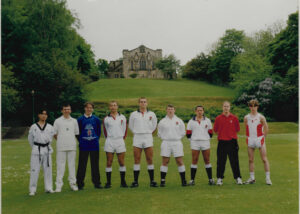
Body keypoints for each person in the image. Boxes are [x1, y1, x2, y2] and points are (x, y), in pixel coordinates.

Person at [129, 97, 158, 187]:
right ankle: (135, 181)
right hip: (137, 137)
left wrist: (148, 132)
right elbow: (130, 126)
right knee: (137, 159)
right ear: (139, 103)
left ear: (147, 103)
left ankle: (152, 181)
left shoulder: (152, 114)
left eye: (144, 102)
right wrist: (137, 132)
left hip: (148, 137)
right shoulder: (133, 114)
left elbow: (154, 126)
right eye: (141, 102)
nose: (143, 103)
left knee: (149, 159)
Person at [213, 101, 243, 185]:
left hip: (232, 142)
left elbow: (237, 129)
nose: (226, 108)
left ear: (230, 107)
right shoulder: (218, 118)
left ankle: (238, 178)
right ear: (222, 107)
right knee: (221, 161)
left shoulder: (234, 118)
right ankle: (219, 178)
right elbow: (215, 130)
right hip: (222, 142)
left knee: (234, 161)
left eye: (227, 106)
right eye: (224, 106)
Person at [158, 104, 187, 187]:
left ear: (174, 110)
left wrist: (176, 138)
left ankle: (183, 181)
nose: (170, 110)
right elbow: (159, 133)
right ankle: (162, 181)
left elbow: (183, 132)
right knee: (165, 161)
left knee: (179, 161)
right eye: (169, 109)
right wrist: (167, 138)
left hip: (177, 142)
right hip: (166, 142)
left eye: (172, 109)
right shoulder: (162, 121)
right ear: (166, 110)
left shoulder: (179, 120)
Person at [244, 99, 272, 185]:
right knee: (250, 159)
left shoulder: (261, 117)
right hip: (250, 139)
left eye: (255, 106)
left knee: (264, 159)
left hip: (259, 139)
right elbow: (246, 127)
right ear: (249, 107)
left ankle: (268, 178)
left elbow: (266, 128)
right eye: (251, 106)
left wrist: (264, 138)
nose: (253, 108)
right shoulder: (246, 117)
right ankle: (252, 178)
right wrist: (249, 137)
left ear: (257, 107)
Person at [28, 109, 55, 196]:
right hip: (36, 149)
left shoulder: (50, 127)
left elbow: (51, 139)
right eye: (42, 114)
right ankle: (32, 189)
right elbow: (30, 139)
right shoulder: (33, 127)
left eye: (45, 114)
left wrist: (46, 145)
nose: (44, 116)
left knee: (48, 169)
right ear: (39, 115)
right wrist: (36, 147)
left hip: (46, 149)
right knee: (34, 170)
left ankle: (48, 188)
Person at [54, 104, 79, 192]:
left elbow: (76, 133)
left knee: (72, 166)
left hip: (72, 146)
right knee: (60, 166)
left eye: (68, 109)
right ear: (62, 110)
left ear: (70, 110)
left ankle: (73, 184)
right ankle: (58, 185)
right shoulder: (57, 121)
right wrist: (61, 141)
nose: (66, 111)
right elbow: (55, 134)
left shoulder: (74, 121)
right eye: (65, 109)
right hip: (61, 147)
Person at [76, 102, 102, 190]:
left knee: (95, 165)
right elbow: (77, 133)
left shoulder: (96, 119)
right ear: (84, 108)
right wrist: (82, 140)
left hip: (94, 145)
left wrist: (94, 139)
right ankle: (80, 184)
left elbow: (98, 132)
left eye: (90, 108)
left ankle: (97, 183)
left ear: (93, 109)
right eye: (87, 108)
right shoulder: (80, 119)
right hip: (84, 145)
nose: (89, 109)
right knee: (82, 165)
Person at [186, 105, 214, 185]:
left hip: (205, 142)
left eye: (201, 110)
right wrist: (193, 140)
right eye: (198, 110)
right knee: (194, 160)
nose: (199, 112)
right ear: (195, 111)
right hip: (195, 143)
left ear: (203, 111)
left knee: (207, 160)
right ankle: (192, 180)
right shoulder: (191, 121)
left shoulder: (207, 120)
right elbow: (188, 133)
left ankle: (210, 179)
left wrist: (205, 138)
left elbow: (211, 132)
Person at [103, 101, 128, 188]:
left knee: (121, 162)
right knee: (109, 162)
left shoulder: (123, 117)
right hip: (110, 141)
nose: (113, 107)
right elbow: (105, 131)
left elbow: (125, 130)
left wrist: (121, 139)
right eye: (111, 106)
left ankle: (123, 182)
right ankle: (108, 182)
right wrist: (110, 138)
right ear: (109, 107)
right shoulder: (106, 118)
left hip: (120, 141)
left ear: (117, 107)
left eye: (114, 105)